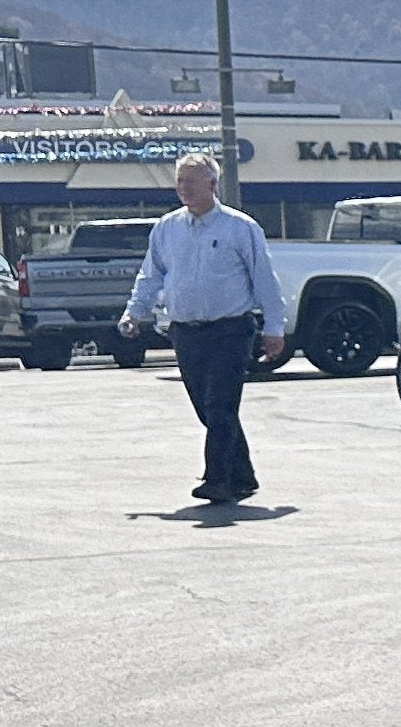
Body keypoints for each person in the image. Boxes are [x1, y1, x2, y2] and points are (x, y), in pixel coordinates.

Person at [117, 153, 288, 505]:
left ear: (212, 184)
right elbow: (151, 275)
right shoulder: (167, 228)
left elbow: (264, 280)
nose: (184, 188)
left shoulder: (239, 228)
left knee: (219, 404)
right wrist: (134, 313)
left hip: (231, 329)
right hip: (186, 332)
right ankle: (242, 476)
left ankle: (217, 480)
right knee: (207, 409)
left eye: (192, 182)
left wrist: (274, 328)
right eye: (180, 181)